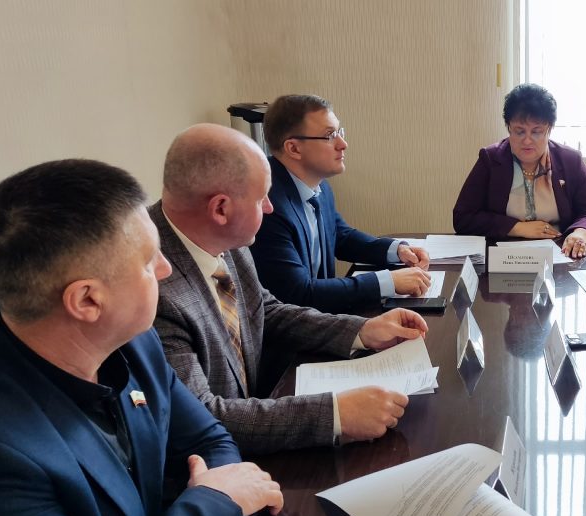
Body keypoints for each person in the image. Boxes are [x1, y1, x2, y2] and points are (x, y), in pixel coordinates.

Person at [0, 159, 281, 516]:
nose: (166, 268)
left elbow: (210, 442)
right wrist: (211, 510)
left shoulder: (131, 338)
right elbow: (220, 493)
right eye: (148, 260)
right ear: (87, 300)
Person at [153, 124, 429, 455]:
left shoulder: (222, 235)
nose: (270, 208)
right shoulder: (154, 286)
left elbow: (265, 311)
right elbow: (202, 417)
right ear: (221, 209)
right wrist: (335, 415)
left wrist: (363, 330)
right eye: (261, 199)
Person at [249, 94, 431, 313]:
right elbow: (297, 294)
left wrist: (397, 250)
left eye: (339, 132)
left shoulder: (319, 185)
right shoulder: (267, 205)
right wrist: (387, 282)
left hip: (321, 316)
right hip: (291, 326)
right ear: (294, 148)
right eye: (329, 135)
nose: (343, 144)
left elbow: (340, 236)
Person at [453, 83, 586, 258]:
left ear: (549, 129)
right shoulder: (491, 160)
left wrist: (581, 232)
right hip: (503, 256)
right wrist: (517, 228)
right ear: (509, 127)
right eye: (519, 131)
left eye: (536, 132)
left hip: (559, 254)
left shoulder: (570, 160)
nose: (527, 141)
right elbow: (463, 217)